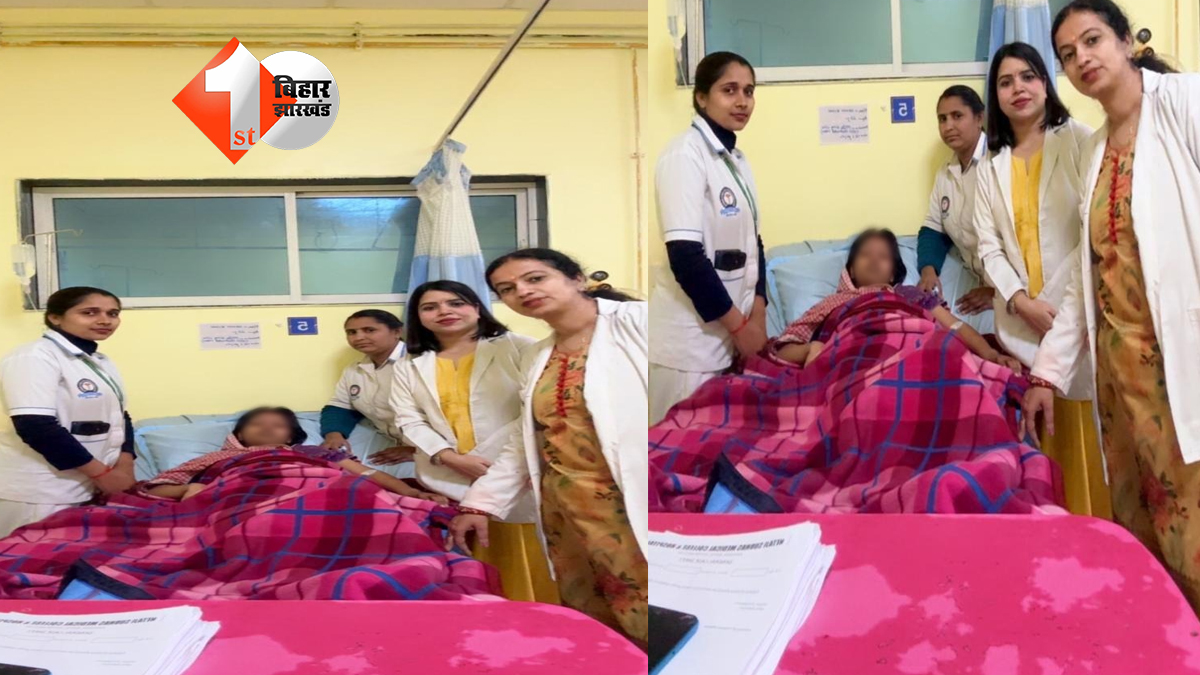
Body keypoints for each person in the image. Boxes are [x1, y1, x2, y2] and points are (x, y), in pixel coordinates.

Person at [1027, 0, 1200, 607]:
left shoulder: (1184, 104)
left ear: (1126, 41)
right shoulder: (1096, 152)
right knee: (1141, 516)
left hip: (1179, 364)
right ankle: (1168, 637)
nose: (1082, 58)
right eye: (1067, 54)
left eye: (1093, 40)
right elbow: (1090, 273)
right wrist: (1047, 371)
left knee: (1192, 519)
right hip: (1120, 381)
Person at [446, 248, 648, 647]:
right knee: (589, 604)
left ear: (577, 278)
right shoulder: (538, 355)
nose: (522, 291)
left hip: (629, 498)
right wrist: (480, 503)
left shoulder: (638, 322)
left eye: (535, 278)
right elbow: (528, 438)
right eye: (507, 289)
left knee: (645, 600)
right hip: (565, 507)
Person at [972, 41, 1110, 519]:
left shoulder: (1080, 141)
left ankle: (1098, 534)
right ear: (995, 95)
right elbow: (987, 245)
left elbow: (1090, 232)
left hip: (1074, 316)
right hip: (1020, 323)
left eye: (1028, 76)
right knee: (1039, 446)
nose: (1019, 88)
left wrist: (1053, 305)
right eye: (1005, 81)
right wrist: (1019, 301)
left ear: (1046, 84)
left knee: (1088, 441)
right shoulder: (990, 165)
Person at [390, 280, 557, 603]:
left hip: (512, 468)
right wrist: (449, 457)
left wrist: (491, 461)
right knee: (469, 561)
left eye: (455, 303)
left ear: (477, 308)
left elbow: (535, 408)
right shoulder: (409, 365)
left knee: (525, 558)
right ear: (418, 317)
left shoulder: (519, 347)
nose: (444, 311)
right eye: (430, 307)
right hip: (446, 473)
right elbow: (408, 419)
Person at [649, 50, 768, 424]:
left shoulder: (736, 160)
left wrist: (759, 313)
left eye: (749, 91)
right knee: (677, 447)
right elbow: (686, 257)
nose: (742, 101)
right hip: (690, 348)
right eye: (729, 90)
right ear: (701, 97)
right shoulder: (684, 155)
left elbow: (753, 244)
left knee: (712, 444)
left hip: (729, 336)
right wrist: (741, 328)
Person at [774, 229, 1022, 373]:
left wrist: (990, 354)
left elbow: (955, 327)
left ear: (893, 274)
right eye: (865, 255)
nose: (874, 260)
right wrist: (811, 349)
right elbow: (781, 350)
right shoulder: (833, 303)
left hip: (916, 359)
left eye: (883, 256)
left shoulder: (909, 295)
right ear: (851, 270)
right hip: (854, 365)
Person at [0, 287, 137, 537]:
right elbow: (35, 426)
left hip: (86, 485)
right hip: (42, 491)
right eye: (89, 312)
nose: (105, 320)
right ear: (55, 317)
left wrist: (125, 464)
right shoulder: (33, 356)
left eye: (113, 313)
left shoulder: (99, 361)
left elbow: (120, 416)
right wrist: (102, 474)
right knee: (30, 557)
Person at [142, 406, 446, 504]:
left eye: (278, 426)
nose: (267, 429)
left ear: (290, 437)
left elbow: (365, 474)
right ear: (240, 435)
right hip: (241, 499)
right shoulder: (216, 459)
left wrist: (410, 493)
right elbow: (154, 489)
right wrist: (191, 489)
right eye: (257, 424)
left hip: (320, 495)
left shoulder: (310, 452)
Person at [916, 85, 995, 321]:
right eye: (942, 119)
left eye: (957, 116)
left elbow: (1023, 239)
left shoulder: (1000, 163)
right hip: (977, 281)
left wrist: (999, 293)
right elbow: (933, 228)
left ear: (979, 118)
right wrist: (928, 270)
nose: (948, 126)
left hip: (1016, 291)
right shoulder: (946, 173)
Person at [319, 310, 414, 469]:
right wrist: (333, 435)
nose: (359, 337)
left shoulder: (420, 363)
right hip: (390, 442)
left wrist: (419, 451)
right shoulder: (354, 370)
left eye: (369, 330)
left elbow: (447, 415)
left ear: (397, 332)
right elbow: (340, 406)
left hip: (436, 450)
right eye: (352, 332)